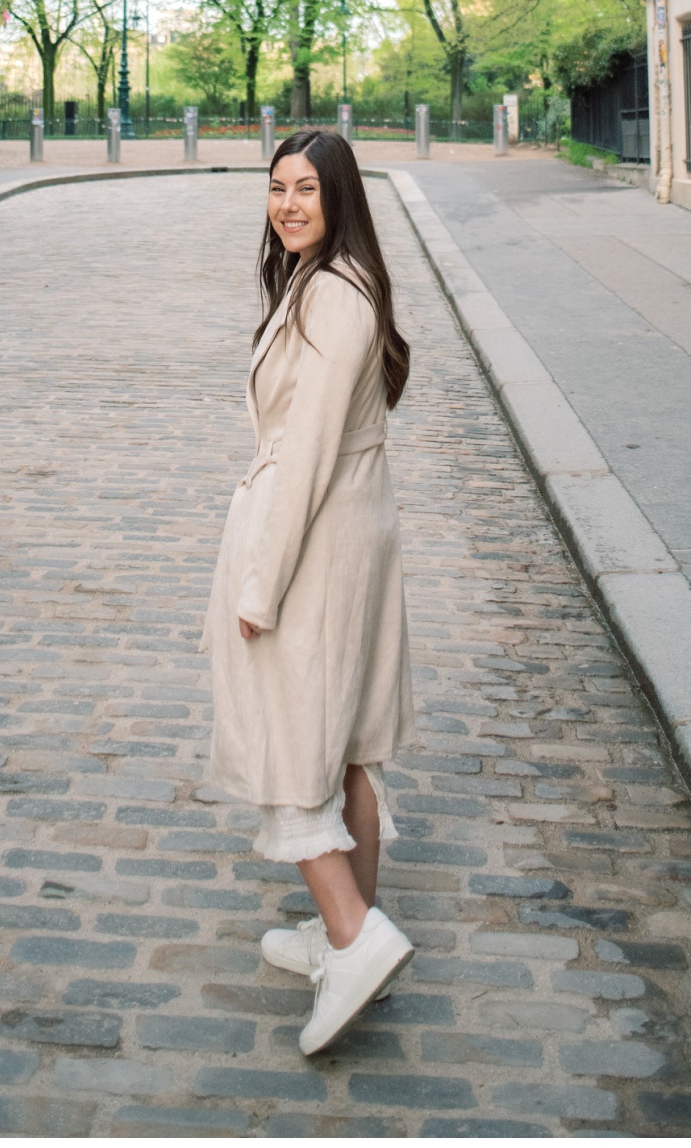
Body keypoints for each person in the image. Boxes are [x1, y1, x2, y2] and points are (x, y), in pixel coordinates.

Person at [204, 126, 416, 1056]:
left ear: (340, 199)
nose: (288, 203)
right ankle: (348, 932)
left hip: (317, 544)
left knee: (293, 737)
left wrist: (261, 582)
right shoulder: (332, 282)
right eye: (277, 186)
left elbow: (306, 460)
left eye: (307, 190)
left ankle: (354, 935)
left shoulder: (332, 298)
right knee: (349, 744)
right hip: (351, 535)